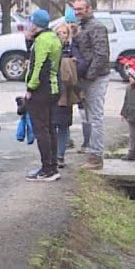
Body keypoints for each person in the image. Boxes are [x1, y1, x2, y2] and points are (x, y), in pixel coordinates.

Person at [72, 0, 110, 169]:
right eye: (76, 9)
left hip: (96, 77)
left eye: (81, 9)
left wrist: (88, 76)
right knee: (88, 117)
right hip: (86, 78)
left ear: (89, 9)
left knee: (95, 118)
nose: (77, 12)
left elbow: (101, 55)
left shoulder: (97, 27)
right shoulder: (82, 27)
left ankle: (96, 156)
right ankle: (92, 152)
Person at [24, 9, 62, 181]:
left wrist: (30, 89)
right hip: (53, 87)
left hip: (42, 90)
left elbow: (38, 66)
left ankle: (47, 168)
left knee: (42, 130)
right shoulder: (53, 37)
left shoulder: (42, 41)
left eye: (30, 22)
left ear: (35, 24)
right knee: (49, 128)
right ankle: (52, 166)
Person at [54, 23, 83, 169]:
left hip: (67, 94)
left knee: (64, 126)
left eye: (65, 32)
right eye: (59, 32)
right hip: (53, 94)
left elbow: (80, 65)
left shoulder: (72, 49)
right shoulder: (52, 49)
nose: (62, 35)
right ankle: (52, 155)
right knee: (52, 125)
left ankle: (60, 155)